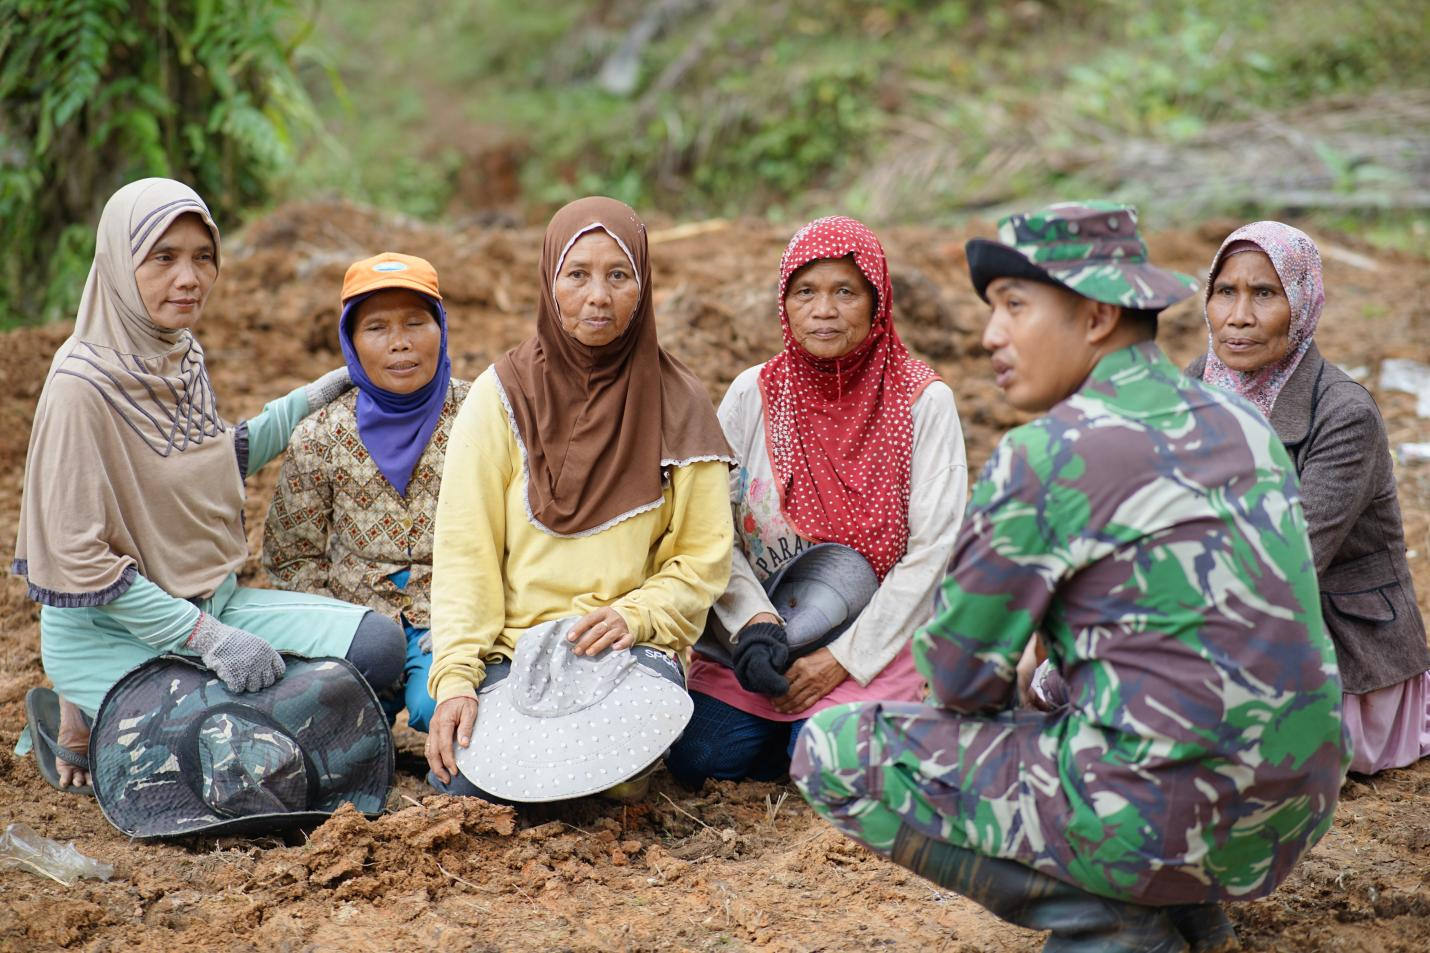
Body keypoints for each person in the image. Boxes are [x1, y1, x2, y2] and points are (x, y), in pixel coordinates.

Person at [793, 203, 1349, 952]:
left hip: (1160, 816)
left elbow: (958, 682)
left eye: (1015, 306)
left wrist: (1032, 664)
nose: (991, 334)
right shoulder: (1241, 422)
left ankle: (1107, 920)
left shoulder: (1048, 453)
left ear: (1094, 318)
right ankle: (1188, 910)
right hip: (1293, 809)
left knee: (829, 749)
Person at [13, 179, 405, 794]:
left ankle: (159, 718)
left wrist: (316, 394)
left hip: (210, 600)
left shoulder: (178, 356)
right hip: (116, 634)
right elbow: (80, 561)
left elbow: (213, 459)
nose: (189, 277)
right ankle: (85, 712)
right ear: (120, 263)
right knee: (237, 756)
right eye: (163, 258)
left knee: (380, 646)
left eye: (202, 257)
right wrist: (208, 640)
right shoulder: (79, 388)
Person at [424, 196, 735, 801]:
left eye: (619, 275)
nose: (599, 296)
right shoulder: (502, 395)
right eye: (578, 274)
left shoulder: (680, 404)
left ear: (643, 289)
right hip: (512, 656)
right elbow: (466, 552)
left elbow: (702, 560)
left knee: (610, 783)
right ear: (550, 282)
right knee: (467, 794)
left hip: (628, 649)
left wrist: (634, 614)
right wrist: (459, 677)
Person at [666, 216, 968, 786]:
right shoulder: (753, 394)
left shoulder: (924, 402)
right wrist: (754, 626)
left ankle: (842, 726)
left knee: (830, 766)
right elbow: (711, 528)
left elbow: (934, 551)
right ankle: (798, 729)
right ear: (785, 303)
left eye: (845, 292)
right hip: (767, 637)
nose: (823, 310)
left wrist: (840, 661)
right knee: (699, 760)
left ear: (877, 301)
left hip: (874, 642)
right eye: (806, 292)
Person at [1190, 221, 1430, 775]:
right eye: (1226, 291)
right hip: (1212, 616)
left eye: (1265, 294)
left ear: (1301, 302)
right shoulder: (1192, 392)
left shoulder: (1343, 414)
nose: (1239, 316)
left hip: (1334, 656)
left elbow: (1283, 564)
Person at [263, 252, 470, 733]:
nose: (400, 343)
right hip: (354, 626)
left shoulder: (479, 417)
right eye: (377, 328)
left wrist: (469, 625)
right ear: (350, 341)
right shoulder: (321, 433)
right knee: (329, 725)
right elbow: (292, 556)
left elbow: (512, 534)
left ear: (441, 327)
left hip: (448, 619)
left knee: (439, 709)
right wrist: (330, 635)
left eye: (416, 323)